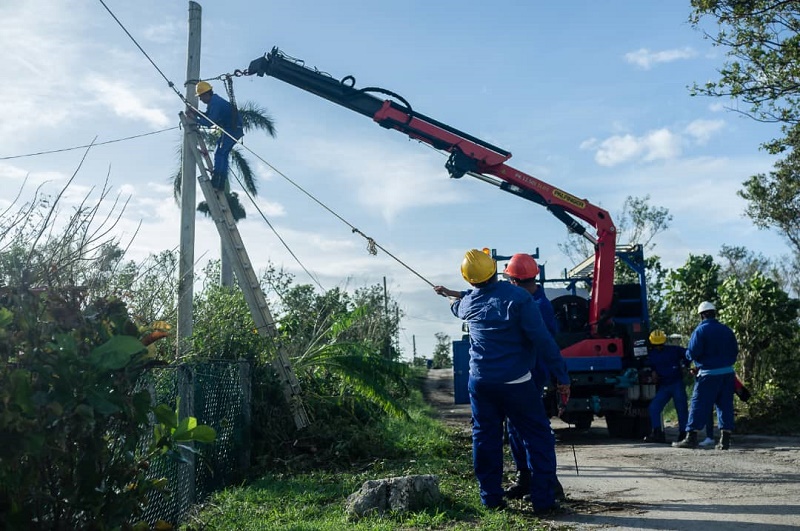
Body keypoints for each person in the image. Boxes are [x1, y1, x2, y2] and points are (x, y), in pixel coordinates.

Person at [433, 249, 565, 514]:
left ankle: (491, 499)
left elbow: (459, 304)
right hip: (516, 383)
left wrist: (449, 296)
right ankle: (543, 501)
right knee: (537, 436)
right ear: (495, 270)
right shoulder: (519, 298)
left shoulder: (468, 304)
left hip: (480, 383)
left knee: (485, 438)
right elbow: (543, 340)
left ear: (470, 280)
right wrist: (562, 377)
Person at [500, 254, 570, 501]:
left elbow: (545, 345)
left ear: (515, 281)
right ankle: (526, 478)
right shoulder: (530, 300)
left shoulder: (535, 306)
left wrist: (559, 377)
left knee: (533, 431)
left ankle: (548, 483)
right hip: (525, 374)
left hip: (533, 376)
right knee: (516, 428)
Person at [673, 301, 738, 450]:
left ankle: (691, 438)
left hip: (708, 375)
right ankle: (725, 440)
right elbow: (734, 351)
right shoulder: (727, 330)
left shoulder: (700, 331)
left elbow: (692, 352)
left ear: (702, 315)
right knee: (725, 405)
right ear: (714, 313)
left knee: (698, 404)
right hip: (727, 374)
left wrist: (694, 361)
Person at [190, 81, 244, 191]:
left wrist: (193, 119)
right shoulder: (214, 101)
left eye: (201, 97)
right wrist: (196, 113)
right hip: (234, 129)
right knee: (223, 154)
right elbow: (208, 116)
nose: (200, 99)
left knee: (219, 153)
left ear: (206, 94)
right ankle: (220, 182)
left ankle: (216, 180)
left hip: (232, 130)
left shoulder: (215, 103)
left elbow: (209, 122)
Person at [642, 329, 689, 444]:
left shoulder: (673, 350)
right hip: (665, 385)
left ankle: (684, 434)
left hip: (676, 383)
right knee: (654, 408)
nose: (658, 347)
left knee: (681, 409)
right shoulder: (653, 355)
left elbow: (688, 354)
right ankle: (658, 433)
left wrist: (685, 365)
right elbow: (688, 354)